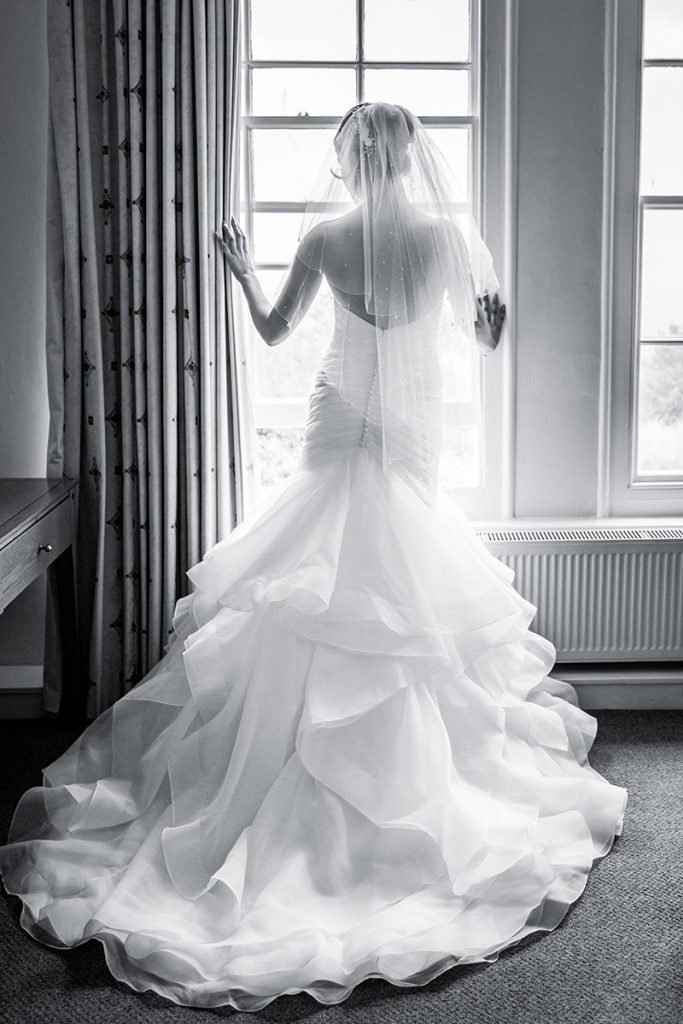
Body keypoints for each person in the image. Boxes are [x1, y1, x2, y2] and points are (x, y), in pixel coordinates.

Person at [0, 102, 627, 1012]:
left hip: (341, 415)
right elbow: (482, 337)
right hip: (410, 428)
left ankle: (276, 779)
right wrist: (491, 319)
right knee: (400, 578)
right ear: (410, 159)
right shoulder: (447, 239)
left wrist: (245, 272)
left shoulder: (328, 238)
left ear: (348, 160)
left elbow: (270, 333)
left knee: (321, 572)